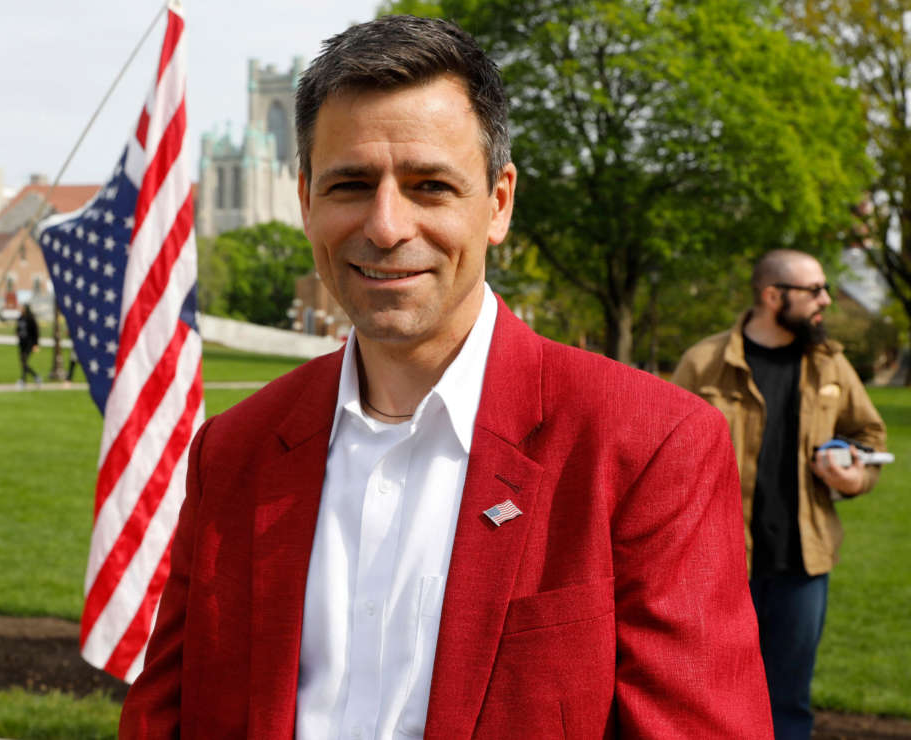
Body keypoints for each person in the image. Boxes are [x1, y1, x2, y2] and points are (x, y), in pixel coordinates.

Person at [120, 15, 771, 738]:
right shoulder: (232, 452)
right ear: (304, 200)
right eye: (350, 185)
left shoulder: (646, 445)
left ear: (498, 202)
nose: (387, 225)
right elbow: (163, 720)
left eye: (430, 185)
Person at [673, 249, 886, 740]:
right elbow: (663, 453)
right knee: (711, 699)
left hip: (802, 567)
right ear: (773, 296)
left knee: (788, 704)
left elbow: (870, 438)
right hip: (717, 567)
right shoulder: (704, 363)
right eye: (814, 291)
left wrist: (854, 478)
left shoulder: (830, 365)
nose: (826, 300)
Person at [16, 303, 41, 388]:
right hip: (22, 344)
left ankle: (24, 380)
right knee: (23, 362)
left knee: (24, 361)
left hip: (29, 343)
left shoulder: (30, 318)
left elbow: (36, 332)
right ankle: (34, 377)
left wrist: (36, 344)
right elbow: (18, 329)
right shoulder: (20, 318)